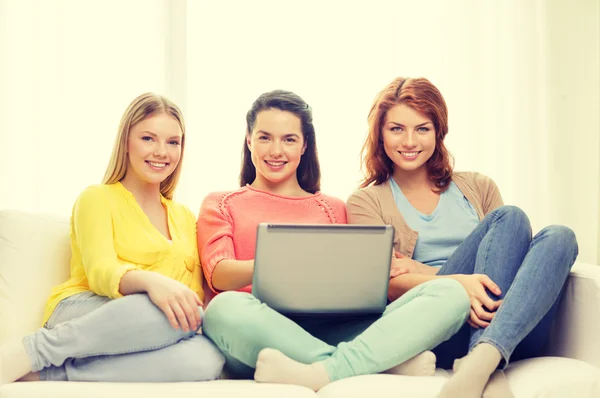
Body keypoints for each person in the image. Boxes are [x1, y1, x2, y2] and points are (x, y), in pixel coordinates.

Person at [197, 89, 471, 392]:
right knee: (223, 309)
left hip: (335, 327)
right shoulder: (220, 203)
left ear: (304, 146)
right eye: (265, 137)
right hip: (261, 331)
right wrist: (281, 264)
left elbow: (377, 276)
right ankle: (378, 362)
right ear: (249, 140)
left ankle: (328, 367)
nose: (276, 150)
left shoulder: (332, 207)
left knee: (451, 293)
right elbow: (218, 273)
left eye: (289, 139)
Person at [346, 77, 579, 398]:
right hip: (441, 327)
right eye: (397, 129)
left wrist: (423, 270)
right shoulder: (366, 202)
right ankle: (483, 364)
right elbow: (382, 284)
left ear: (439, 131)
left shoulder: (478, 186)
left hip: (509, 323)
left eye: (423, 128)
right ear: (380, 134)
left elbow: (509, 257)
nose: (409, 141)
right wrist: (457, 284)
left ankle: (481, 360)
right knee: (510, 216)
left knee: (560, 236)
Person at [0, 93, 224, 384]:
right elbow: (100, 271)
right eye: (148, 138)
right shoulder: (97, 197)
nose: (161, 152)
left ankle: (52, 374)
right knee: (159, 310)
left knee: (206, 359)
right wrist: (151, 282)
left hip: (155, 326)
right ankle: (33, 351)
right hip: (89, 309)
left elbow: (191, 295)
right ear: (126, 143)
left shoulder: (184, 216)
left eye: (173, 142)